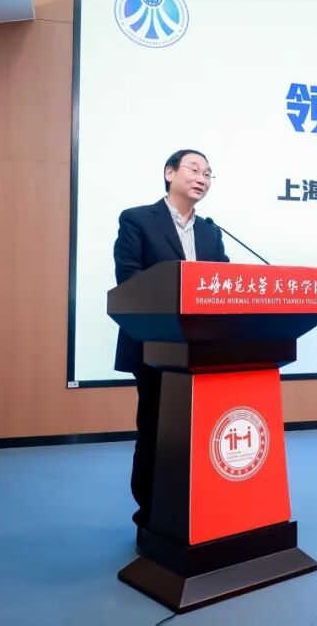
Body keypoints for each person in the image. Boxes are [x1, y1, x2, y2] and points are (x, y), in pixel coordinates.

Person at [113, 149, 228, 532]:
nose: (202, 178)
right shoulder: (137, 220)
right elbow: (130, 281)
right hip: (156, 348)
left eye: (208, 174)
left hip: (204, 349)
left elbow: (227, 285)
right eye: (194, 169)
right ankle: (150, 515)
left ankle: (199, 510)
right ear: (169, 173)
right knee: (157, 432)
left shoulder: (211, 231)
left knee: (201, 435)